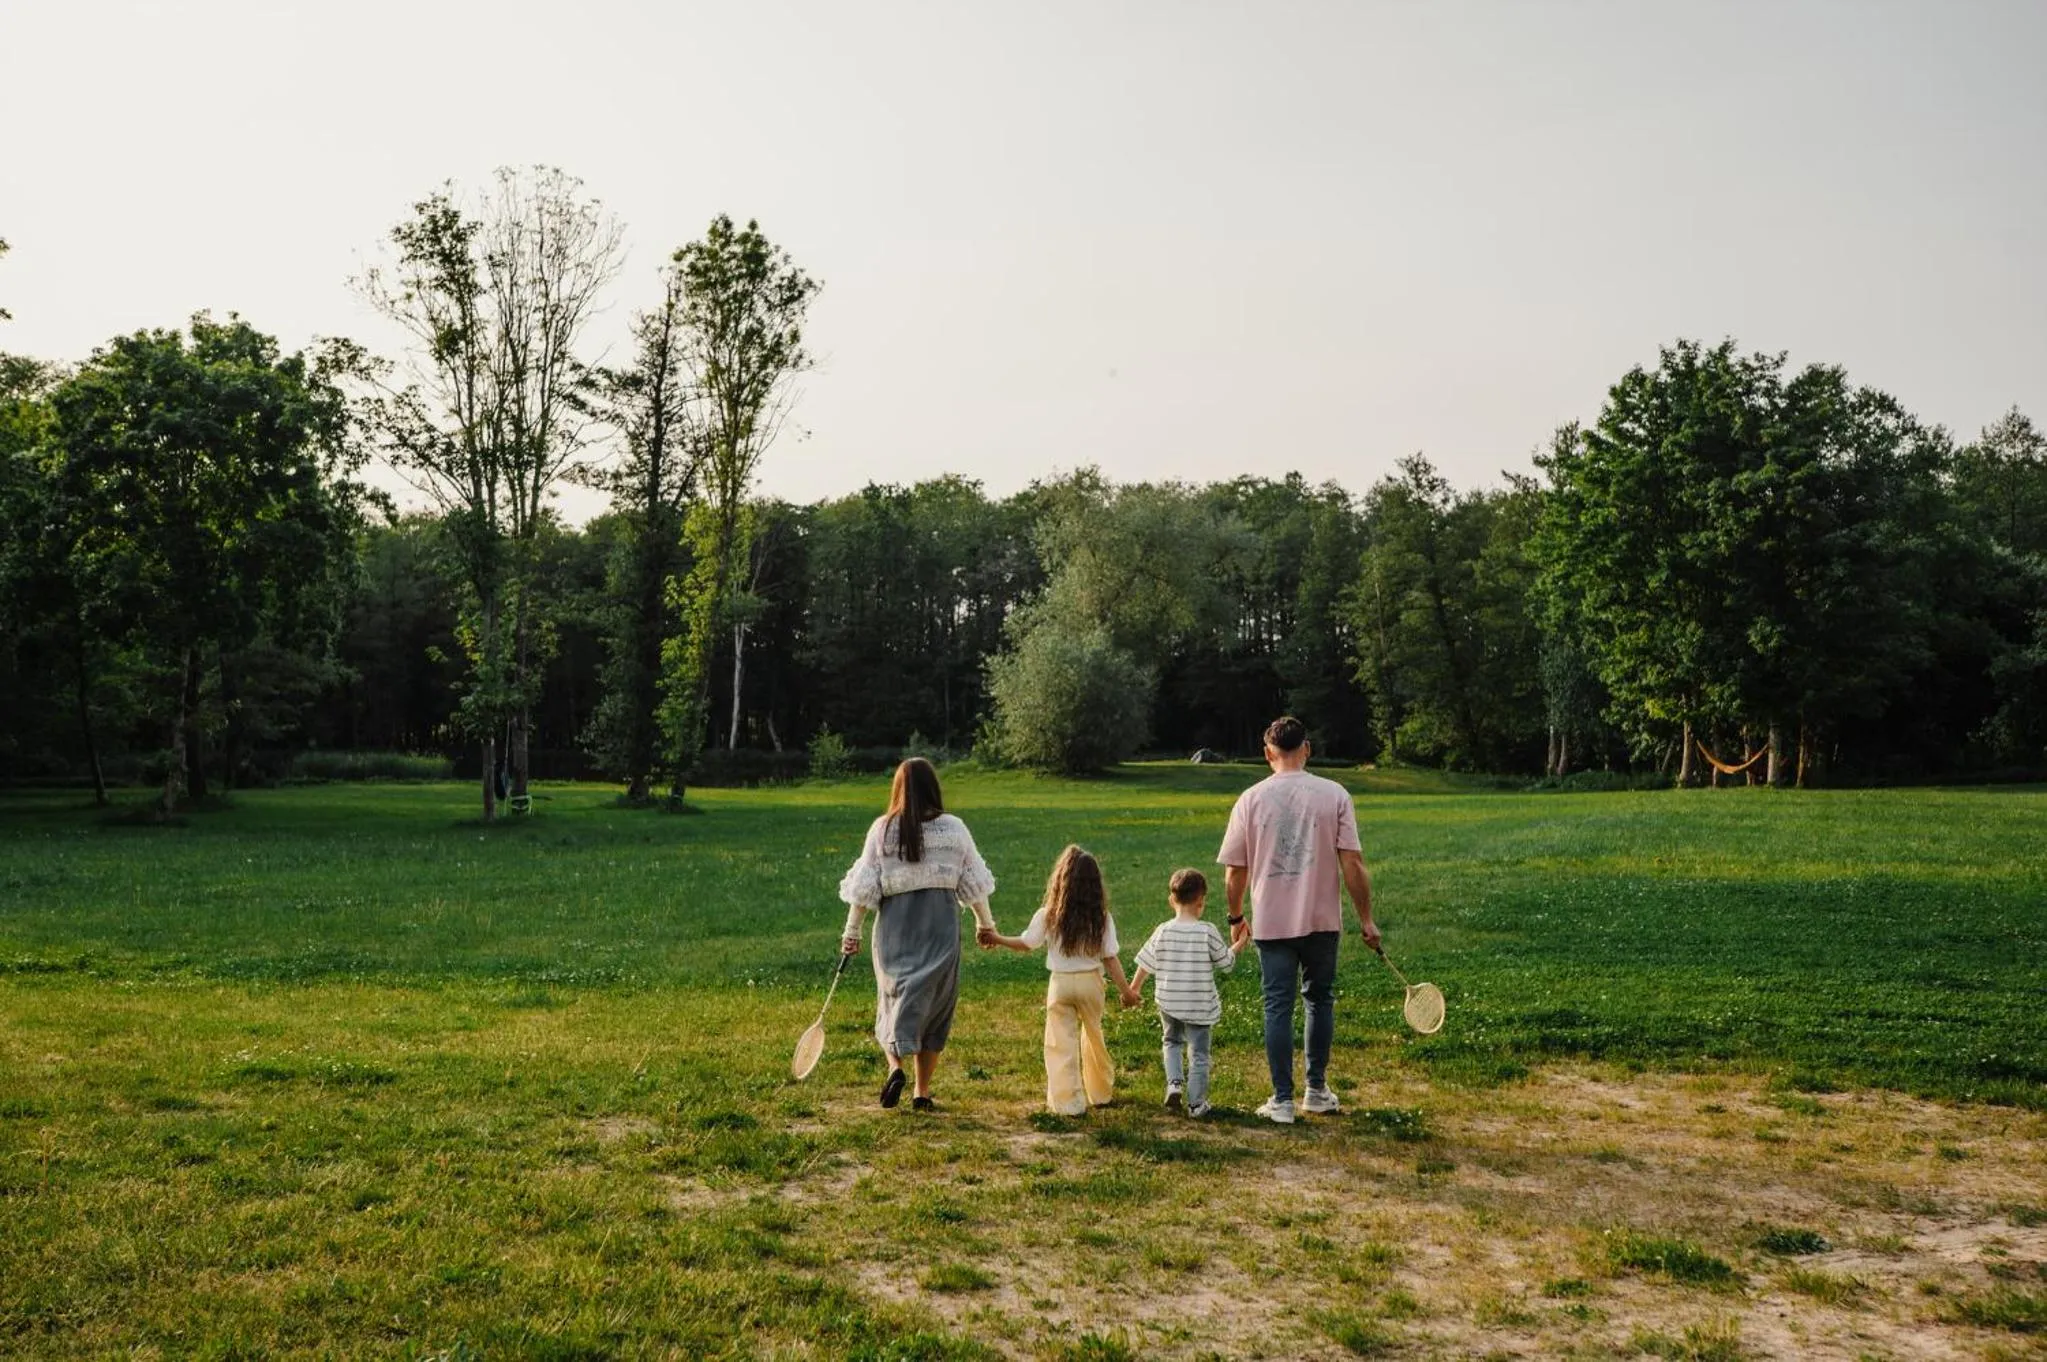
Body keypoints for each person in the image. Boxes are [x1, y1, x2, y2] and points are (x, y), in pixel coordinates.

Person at [1218, 716, 1379, 1124]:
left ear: (1267, 751)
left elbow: (1235, 871)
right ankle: (1317, 1090)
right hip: (1322, 919)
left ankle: (1282, 1100)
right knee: (1318, 1000)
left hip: (1272, 921)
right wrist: (1367, 919)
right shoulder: (1335, 794)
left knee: (1277, 1006)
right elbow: (1353, 865)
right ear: (1306, 748)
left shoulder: (1250, 799)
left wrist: (1236, 915)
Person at [839, 757, 997, 1112]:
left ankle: (895, 1068)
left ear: (898, 788)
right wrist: (985, 924)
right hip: (940, 927)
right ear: (933, 787)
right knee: (937, 1008)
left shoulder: (882, 829)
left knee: (892, 1000)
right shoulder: (954, 829)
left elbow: (864, 887)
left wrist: (852, 932)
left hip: (895, 928)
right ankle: (921, 1093)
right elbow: (973, 881)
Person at [984, 845, 1134, 1116]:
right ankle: (1100, 1093)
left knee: (1059, 1042)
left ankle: (1068, 1103)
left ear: (1060, 880)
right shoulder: (1101, 919)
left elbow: (1027, 943)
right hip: (1091, 983)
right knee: (1093, 1036)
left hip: (1060, 985)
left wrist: (997, 938)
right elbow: (1110, 958)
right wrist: (1127, 992)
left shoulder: (1049, 915)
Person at [1128, 868, 1236, 1117]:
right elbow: (1226, 964)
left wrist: (1134, 988)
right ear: (1201, 902)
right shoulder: (1207, 931)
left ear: (1172, 900)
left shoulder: (1163, 930)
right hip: (1198, 1004)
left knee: (1171, 1041)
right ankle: (1196, 1104)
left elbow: (1145, 963)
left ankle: (1174, 1083)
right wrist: (1238, 945)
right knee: (1199, 1054)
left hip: (1169, 1001)